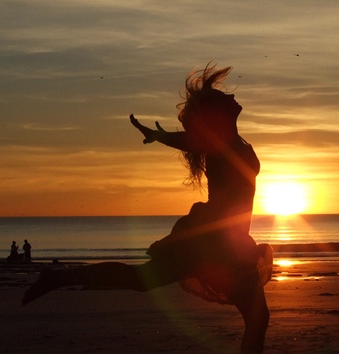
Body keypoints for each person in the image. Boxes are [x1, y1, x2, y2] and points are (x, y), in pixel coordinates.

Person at [22, 63, 273, 353]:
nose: (230, 97)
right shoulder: (221, 144)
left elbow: (196, 142)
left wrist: (162, 136)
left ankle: (58, 278)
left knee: (256, 318)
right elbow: (194, 141)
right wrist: (162, 136)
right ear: (217, 113)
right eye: (223, 97)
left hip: (230, 239)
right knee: (143, 280)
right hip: (211, 240)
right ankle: (58, 278)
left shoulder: (231, 141)